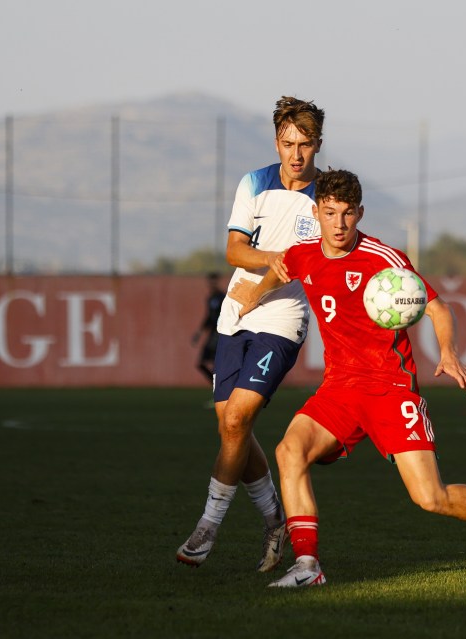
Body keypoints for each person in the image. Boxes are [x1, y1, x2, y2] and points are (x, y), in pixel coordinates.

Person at [229, 169, 466, 587]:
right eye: (330, 213)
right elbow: (280, 269)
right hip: (340, 387)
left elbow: (438, 309)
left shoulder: (384, 260)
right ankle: (307, 567)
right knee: (289, 451)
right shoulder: (302, 253)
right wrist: (250, 301)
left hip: (389, 389)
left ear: (360, 213)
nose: (339, 224)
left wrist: (448, 352)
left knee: (430, 498)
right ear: (317, 212)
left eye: (348, 214)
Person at [176, 96, 324, 573]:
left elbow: (323, 257)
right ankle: (275, 519)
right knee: (231, 427)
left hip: (282, 320)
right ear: (276, 142)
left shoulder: (325, 196)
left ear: (318, 143)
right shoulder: (254, 182)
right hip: (237, 313)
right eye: (287, 143)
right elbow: (234, 250)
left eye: (304, 144)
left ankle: (207, 526)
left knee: (237, 420)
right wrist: (271, 258)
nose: (295, 154)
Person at [192, 272, 226, 385]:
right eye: (210, 281)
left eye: (214, 281)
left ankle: (220, 390)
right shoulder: (210, 298)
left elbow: (225, 315)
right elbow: (208, 317)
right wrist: (199, 333)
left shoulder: (222, 297)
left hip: (220, 334)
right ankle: (217, 387)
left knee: (218, 364)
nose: (212, 284)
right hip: (212, 334)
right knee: (201, 363)